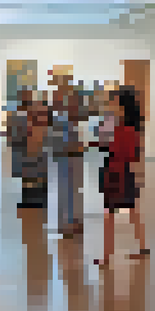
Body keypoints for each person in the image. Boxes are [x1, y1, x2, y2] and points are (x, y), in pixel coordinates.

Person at [97, 87, 148, 267]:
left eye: (114, 102)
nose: (111, 105)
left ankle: (106, 255)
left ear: (122, 106)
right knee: (131, 211)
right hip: (123, 172)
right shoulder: (130, 128)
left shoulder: (122, 130)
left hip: (117, 172)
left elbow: (110, 147)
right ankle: (142, 248)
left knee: (109, 214)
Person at [50, 85, 86, 237]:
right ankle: (65, 223)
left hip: (74, 159)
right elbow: (59, 144)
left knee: (75, 191)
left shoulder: (73, 121)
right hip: (66, 160)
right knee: (66, 192)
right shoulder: (61, 120)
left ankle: (74, 220)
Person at [16, 102, 52, 212]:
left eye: (43, 113)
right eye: (37, 113)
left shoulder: (52, 135)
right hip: (26, 189)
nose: (40, 117)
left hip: (46, 188)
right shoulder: (24, 134)